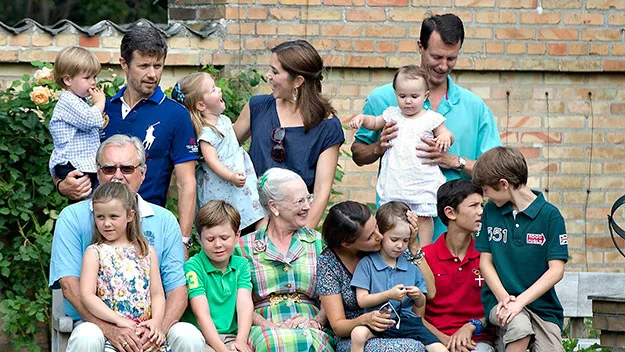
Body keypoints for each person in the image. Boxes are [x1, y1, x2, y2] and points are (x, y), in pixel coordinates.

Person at [350, 13, 501, 241]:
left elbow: (496, 171)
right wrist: (378, 147)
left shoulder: (475, 107)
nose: (443, 66)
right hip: (398, 228)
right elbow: (358, 154)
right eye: (436, 56)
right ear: (420, 47)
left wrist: (453, 161)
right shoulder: (383, 98)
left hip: (456, 236)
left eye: (451, 59)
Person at [49, 134, 204, 352]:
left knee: (188, 336)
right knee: (87, 336)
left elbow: (177, 289)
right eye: (109, 169)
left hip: (150, 326)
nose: (117, 176)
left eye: (127, 169)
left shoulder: (164, 220)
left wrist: (156, 329)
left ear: (142, 173)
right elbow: (70, 287)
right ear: (98, 171)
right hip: (94, 324)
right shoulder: (73, 217)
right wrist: (109, 329)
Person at [56, 24, 198, 248]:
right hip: (94, 229)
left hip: (147, 231)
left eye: (158, 66)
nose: (152, 74)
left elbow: (186, 181)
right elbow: (66, 151)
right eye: (143, 66)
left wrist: (183, 240)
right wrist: (61, 184)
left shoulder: (176, 114)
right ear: (124, 64)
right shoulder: (99, 111)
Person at [233, 39, 344, 229]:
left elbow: (321, 191)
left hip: (296, 227)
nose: (268, 76)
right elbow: (223, 146)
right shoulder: (257, 107)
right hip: (249, 225)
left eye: (275, 72)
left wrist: (302, 239)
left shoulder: (327, 126)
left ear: (298, 81)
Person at [473, 147, 568, 352]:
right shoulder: (491, 212)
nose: (486, 196)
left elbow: (556, 270)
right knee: (519, 327)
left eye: (486, 190)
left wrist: (520, 302)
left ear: (504, 184)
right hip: (500, 302)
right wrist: (504, 298)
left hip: (543, 308)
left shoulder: (550, 215)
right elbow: (485, 262)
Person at [349, 66, 454, 245]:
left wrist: (445, 137)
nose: (408, 101)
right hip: (397, 176)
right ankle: (390, 249)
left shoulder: (431, 118)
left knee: (423, 217)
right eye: (402, 96)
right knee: (394, 218)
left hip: (421, 178)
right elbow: (374, 122)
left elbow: (447, 133)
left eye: (414, 97)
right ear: (396, 94)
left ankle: (425, 249)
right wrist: (362, 119)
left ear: (425, 95)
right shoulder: (392, 114)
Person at [235, 168, 333, 351]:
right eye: (300, 201)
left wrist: (315, 321)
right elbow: (236, 299)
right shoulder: (244, 246)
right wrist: (268, 325)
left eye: (308, 198)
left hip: (311, 324)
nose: (308, 207)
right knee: (273, 342)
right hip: (263, 326)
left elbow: (334, 291)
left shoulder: (317, 242)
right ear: (274, 206)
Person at [317, 201, 431, 352]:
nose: (380, 236)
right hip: (355, 335)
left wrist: (413, 243)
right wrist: (365, 319)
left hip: (397, 327)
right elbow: (338, 326)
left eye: (376, 227)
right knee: (410, 348)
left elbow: (431, 291)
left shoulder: (389, 249)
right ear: (347, 243)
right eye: (370, 236)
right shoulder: (329, 263)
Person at [79, 182, 169, 351]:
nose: (106, 223)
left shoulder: (147, 252)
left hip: (144, 334)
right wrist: (117, 320)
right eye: (100, 217)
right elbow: (87, 296)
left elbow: (157, 294)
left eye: (113, 216)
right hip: (112, 337)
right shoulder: (95, 253)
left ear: (129, 215)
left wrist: (156, 322)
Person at [173, 72, 264, 234]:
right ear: (201, 105)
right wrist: (231, 176)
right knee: (228, 222)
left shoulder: (222, 120)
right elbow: (212, 161)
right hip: (223, 184)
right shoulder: (206, 133)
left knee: (257, 212)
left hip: (238, 181)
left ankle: (260, 242)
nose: (220, 90)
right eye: (214, 90)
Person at [350, 201, 445, 352]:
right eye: (394, 239)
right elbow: (362, 300)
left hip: (408, 322)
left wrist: (418, 295)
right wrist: (389, 295)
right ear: (381, 234)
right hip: (378, 320)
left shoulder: (411, 265)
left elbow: (422, 302)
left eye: (405, 240)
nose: (400, 245)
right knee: (358, 334)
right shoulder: (367, 264)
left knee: (440, 349)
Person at [421, 179, 495, 352]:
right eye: (473, 206)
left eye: (482, 205)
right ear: (450, 212)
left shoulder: (488, 255)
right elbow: (415, 314)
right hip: (433, 341)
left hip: (476, 342)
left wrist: (472, 325)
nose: (481, 212)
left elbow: (497, 305)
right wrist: (445, 340)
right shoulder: (425, 257)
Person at [181, 200, 253, 352]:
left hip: (232, 336)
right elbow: (201, 313)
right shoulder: (193, 267)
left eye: (224, 238)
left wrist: (241, 340)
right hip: (203, 337)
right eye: (210, 239)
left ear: (237, 235)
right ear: (199, 238)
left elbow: (244, 304)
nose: (218, 244)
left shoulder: (241, 265)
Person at [49, 46, 106, 202]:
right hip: (73, 164)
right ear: (68, 80)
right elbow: (89, 120)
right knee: (84, 200)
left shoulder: (79, 101)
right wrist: (100, 103)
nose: (93, 83)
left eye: (94, 77)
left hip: (80, 162)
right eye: (87, 78)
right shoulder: (68, 101)